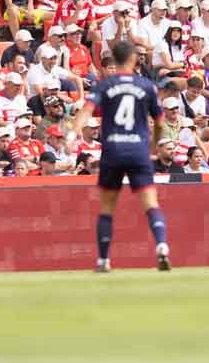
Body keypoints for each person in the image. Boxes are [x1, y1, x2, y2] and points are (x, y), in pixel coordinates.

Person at [69, 40, 170, 273]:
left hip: (112, 149)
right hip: (138, 149)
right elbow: (160, 122)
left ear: (113, 60)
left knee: (107, 207)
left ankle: (103, 260)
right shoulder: (146, 85)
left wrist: (72, 133)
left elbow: (86, 111)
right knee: (150, 204)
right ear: (134, 59)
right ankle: (162, 246)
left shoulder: (105, 85)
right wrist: (153, 146)